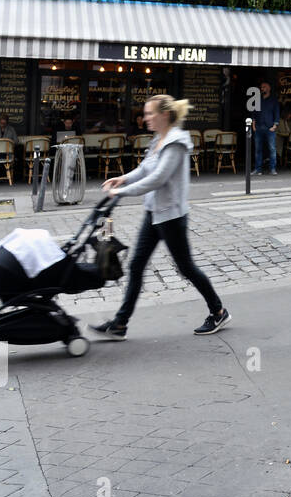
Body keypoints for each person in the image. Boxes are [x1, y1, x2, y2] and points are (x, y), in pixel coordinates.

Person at [91, 94, 229, 339]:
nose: (145, 118)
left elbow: (158, 178)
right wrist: (123, 178)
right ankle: (120, 324)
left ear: (164, 115)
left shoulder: (176, 142)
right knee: (136, 265)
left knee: (186, 267)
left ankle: (218, 311)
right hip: (154, 213)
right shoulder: (159, 139)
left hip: (171, 217)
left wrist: (120, 192)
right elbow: (146, 169)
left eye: (150, 113)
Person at [250, 80, 280, 175]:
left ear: (269, 88)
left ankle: (272, 168)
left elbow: (277, 113)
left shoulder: (273, 100)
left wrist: (275, 126)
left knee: (272, 149)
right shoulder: (257, 99)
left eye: (264, 87)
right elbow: (253, 114)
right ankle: (258, 169)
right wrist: (253, 126)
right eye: (261, 87)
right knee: (258, 149)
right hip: (258, 127)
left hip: (270, 127)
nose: (262, 88)